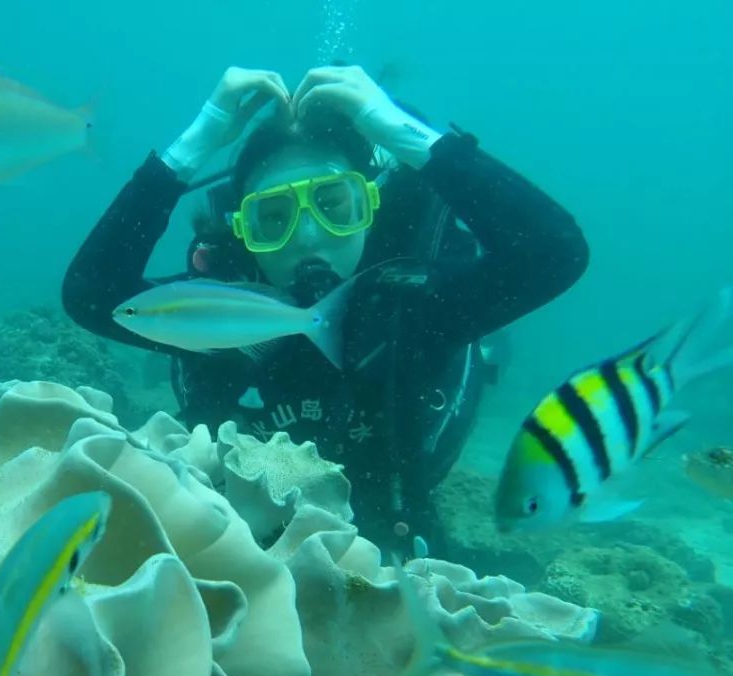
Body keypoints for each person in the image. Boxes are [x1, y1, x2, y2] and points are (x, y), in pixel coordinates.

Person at [62, 65, 589, 555]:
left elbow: (555, 252)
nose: (308, 237)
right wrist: (194, 143)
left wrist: (410, 138)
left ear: (370, 207)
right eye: (274, 218)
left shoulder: (416, 306)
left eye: (335, 205)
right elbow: (90, 295)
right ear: (243, 232)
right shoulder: (214, 311)